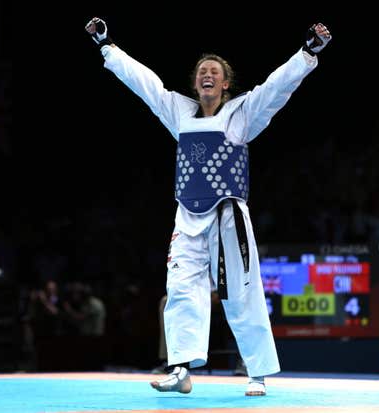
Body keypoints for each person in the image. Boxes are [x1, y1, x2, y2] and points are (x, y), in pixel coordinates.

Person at [85, 16, 331, 396]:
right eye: (202, 70)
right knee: (180, 287)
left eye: (214, 71)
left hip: (228, 217)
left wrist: (307, 53)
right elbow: (144, 83)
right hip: (187, 216)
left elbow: (277, 87)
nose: (207, 74)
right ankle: (181, 368)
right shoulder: (178, 111)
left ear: (226, 83)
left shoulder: (242, 113)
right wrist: (107, 46)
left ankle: (257, 373)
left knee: (241, 291)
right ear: (195, 82)